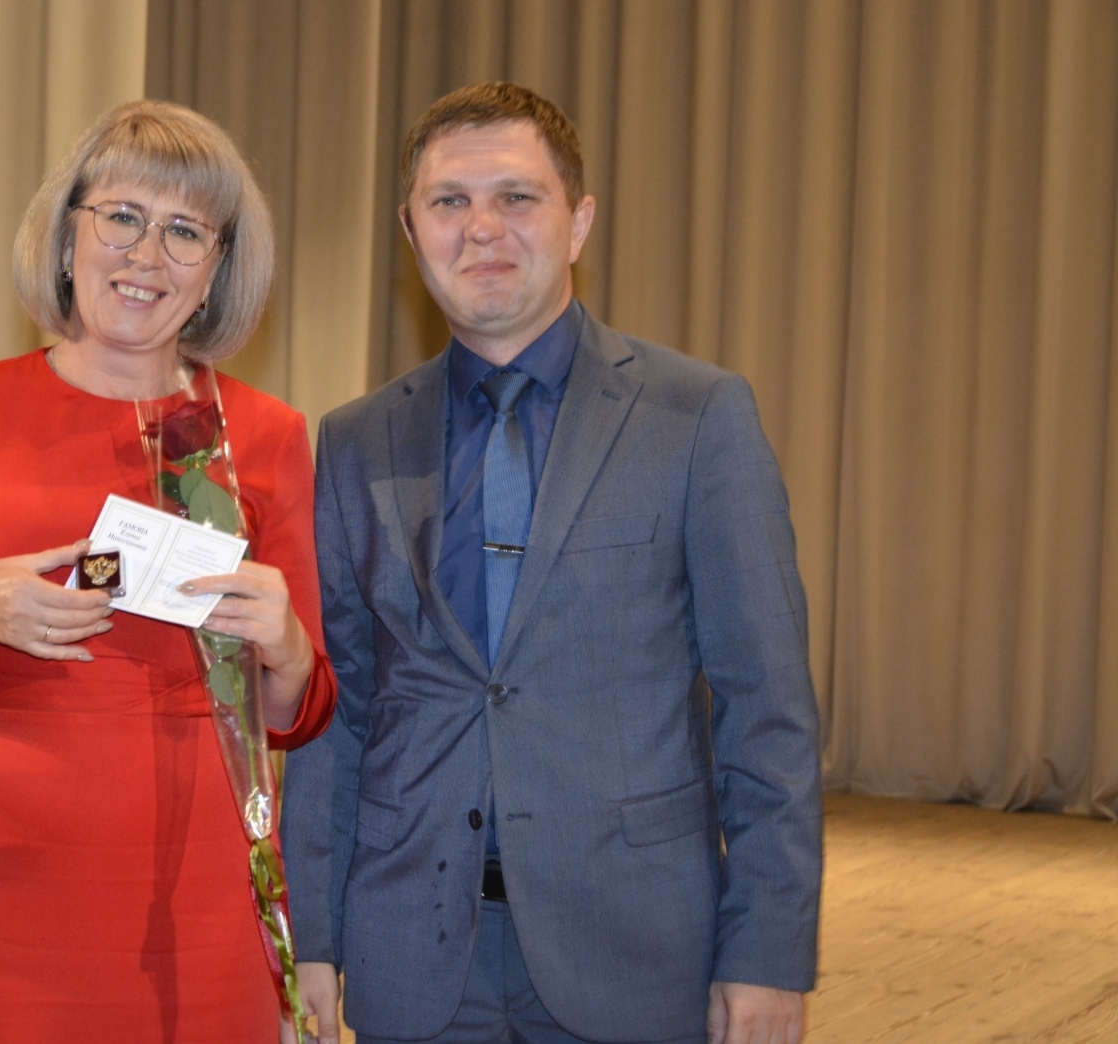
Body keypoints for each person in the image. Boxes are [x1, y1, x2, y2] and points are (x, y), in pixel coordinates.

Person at [280, 83, 822, 1044]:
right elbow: (341, 708)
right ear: (411, 231)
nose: (481, 227)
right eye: (449, 201)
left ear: (578, 222)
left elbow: (766, 706)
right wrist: (310, 936)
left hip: (633, 949)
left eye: (516, 197)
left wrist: (767, 951)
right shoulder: (357, 440)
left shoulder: (697, 418)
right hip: (414, 953)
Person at [0, 100, 337, 1043]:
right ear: (66, 238)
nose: (147, 256)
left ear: (217, 271)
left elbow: (299, 712)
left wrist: (290, 649)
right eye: (122, 217)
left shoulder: (265, 437)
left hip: (203, 908)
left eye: (185, 232)